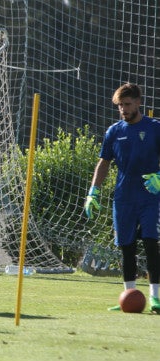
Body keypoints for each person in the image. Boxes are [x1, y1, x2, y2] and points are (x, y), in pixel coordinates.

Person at [84, 83, 160, 313]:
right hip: (124, 198)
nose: (123, 110)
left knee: (150, 243)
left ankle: (156, 297)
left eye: (127, 104)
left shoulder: (155, 128)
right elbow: (104, 162)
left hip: (151, 198)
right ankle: (128, 295)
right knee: (126, 246)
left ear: (138, 102)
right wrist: (93, 191)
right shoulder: (114, 131)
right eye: (120, 106)